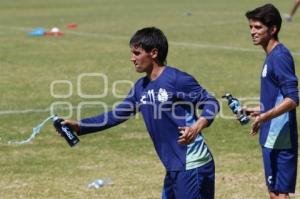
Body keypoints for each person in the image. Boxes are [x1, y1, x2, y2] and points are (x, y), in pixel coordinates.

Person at [62, 27, 220, 199]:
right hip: (174, 166)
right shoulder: (140, 87)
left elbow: (211, 103)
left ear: (153, 53)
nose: (132, 58)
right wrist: (80, 126)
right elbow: (116, 115)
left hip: (192, 164)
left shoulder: (177, 79)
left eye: (137, 53)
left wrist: (197, 127)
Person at [245, 4, 299, 199]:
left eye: (258, 27)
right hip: (271, 136)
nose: (252, 32)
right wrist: (259, 110)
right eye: (251, 27)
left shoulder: (280, 57)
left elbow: (293, 99)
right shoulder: (271, 56)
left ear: (273, 29)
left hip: (281, 137)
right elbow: (277, 96)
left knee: (279, 194)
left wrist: (265, 116)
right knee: (274, 193)